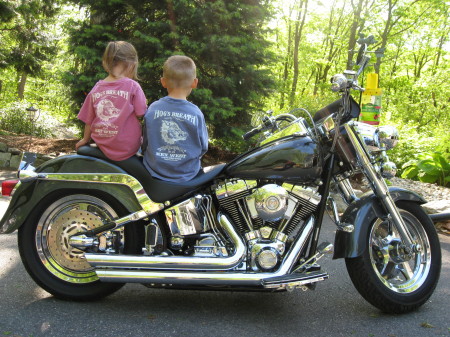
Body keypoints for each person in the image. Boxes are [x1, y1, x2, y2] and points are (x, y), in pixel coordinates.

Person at [76, 41, 147, 161]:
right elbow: (141, 113)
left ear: (107, 62)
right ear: (132, 64)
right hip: (127, 146)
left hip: (102, 144)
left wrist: (85, 139)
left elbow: (89, 118)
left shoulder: (97, 88)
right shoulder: (133, 86)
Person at [143, 55, 208, 182]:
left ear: (163, 81)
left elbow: (145, 142)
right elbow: (203, 147)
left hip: (154, 170)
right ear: (194, 83)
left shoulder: (153, 109)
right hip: (187, 172)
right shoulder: (195, 113)